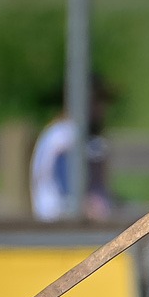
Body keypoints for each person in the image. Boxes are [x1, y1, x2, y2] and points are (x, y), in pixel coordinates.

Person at [30, 78, 113, 222]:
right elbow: (67, 187)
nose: (102, 108)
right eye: (97, 101)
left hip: (65, 217)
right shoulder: (64, 136)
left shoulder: (70, 133)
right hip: (59, 220)